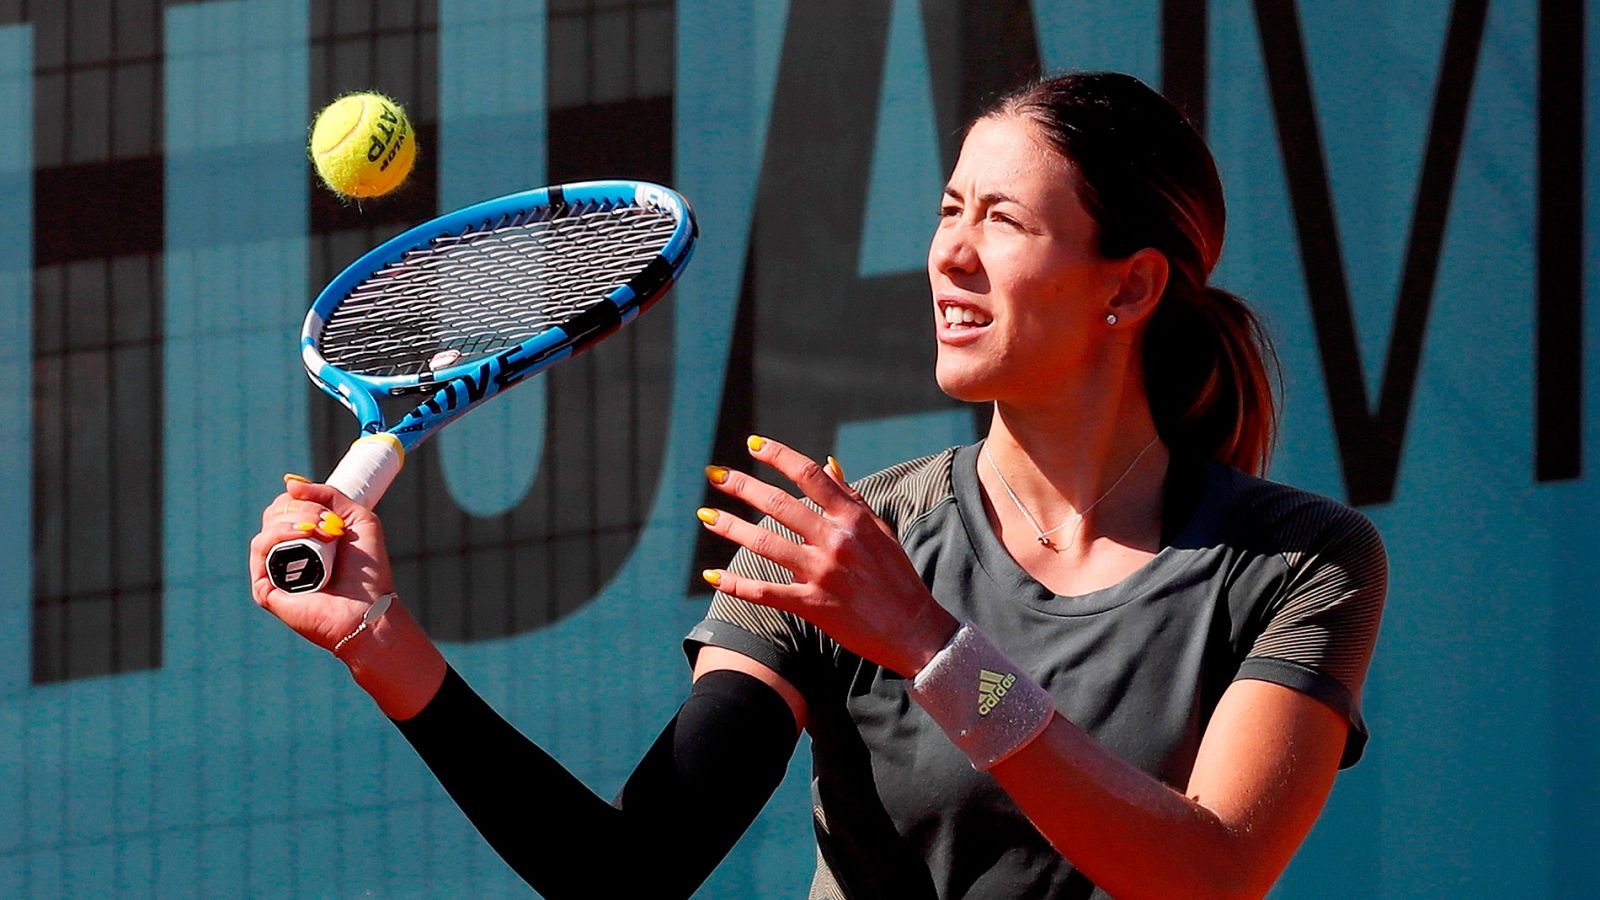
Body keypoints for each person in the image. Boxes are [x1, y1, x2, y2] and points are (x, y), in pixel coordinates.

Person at [249, 71, 1386, 899]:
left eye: (1002, 220)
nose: (949, 254)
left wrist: (931, 648)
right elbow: (625, 874)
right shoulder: (838, 542)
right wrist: (380, 641)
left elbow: (1209, 875)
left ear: (1128, 289)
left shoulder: (1303, 565)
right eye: (949, 210)